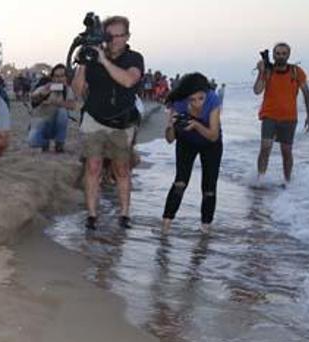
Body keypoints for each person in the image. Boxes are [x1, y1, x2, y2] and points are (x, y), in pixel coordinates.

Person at [71, 15, 144, 230]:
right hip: (94, 119)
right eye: (109, 35)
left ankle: (124, 214)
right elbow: (76, 90)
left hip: (122, 123)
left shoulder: (134, 58)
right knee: (93, 167)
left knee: (121, 168)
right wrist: (84, 63)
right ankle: (92, 216)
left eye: (118, 35)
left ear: (127, 36)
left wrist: (103, 60)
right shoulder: (92, 56)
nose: (113, 40)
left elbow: (129, 80)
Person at [161, 73, 223, 235]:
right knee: (180, 182)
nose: (197, 104)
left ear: (206, 94)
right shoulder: (178, 104)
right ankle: (165, 226)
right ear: (186, 98)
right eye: (192, 100)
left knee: (209, 187)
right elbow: (169, 139)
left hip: (210, 143)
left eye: (200, 98)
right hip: (186, 141)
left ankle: (205, 228)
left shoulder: (213, 99)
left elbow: (213, 135)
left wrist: (195, 124)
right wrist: (171, 125)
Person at [254, 42, 309, 183]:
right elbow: (257, 90)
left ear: (288, 55)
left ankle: (287, 182)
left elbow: (307, 94)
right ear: (273, 55)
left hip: (289, 118)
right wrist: (261, 71)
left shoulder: (296, 71)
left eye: (284, 54)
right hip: (269, 116)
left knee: (286, 152)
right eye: (278, 53)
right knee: (265, 148)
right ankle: (260, 180)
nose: (280, 56)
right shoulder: (268, 70)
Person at [27, 64, 78, 153]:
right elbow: (33, 97)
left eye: (62, 76)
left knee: (62, 112)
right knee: (32, 141)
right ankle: (45, 142)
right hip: (41, 122)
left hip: (56, 124)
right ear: (52, 78)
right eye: (57, 76)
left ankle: (59, 144)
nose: (59, 79)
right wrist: (43, 94)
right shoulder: (46, 87)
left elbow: (72, 106)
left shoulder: (67, 90)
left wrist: (54, 103)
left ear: (66, 77)